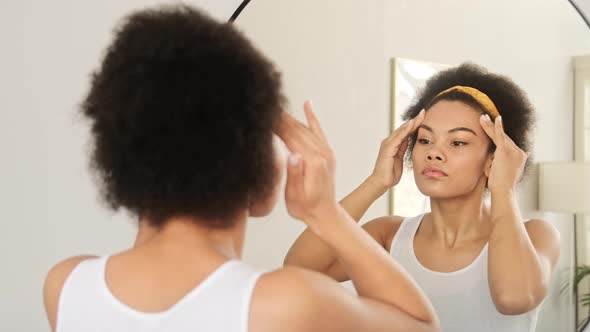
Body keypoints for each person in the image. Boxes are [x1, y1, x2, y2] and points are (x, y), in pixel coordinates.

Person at [42, 5, 439, 332]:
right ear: (256, 165)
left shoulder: (66, 286)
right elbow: (420, 324)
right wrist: (325, 213)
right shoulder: (283, 304)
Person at [285, 63, 560, 331]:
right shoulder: (389, 237)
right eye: (425, 140)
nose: (434, 153)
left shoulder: (536, 235)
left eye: (458, 142)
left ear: (494, 158)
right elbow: (300, 270)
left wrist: (503, 189)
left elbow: (513, 298)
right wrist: (377, 181)